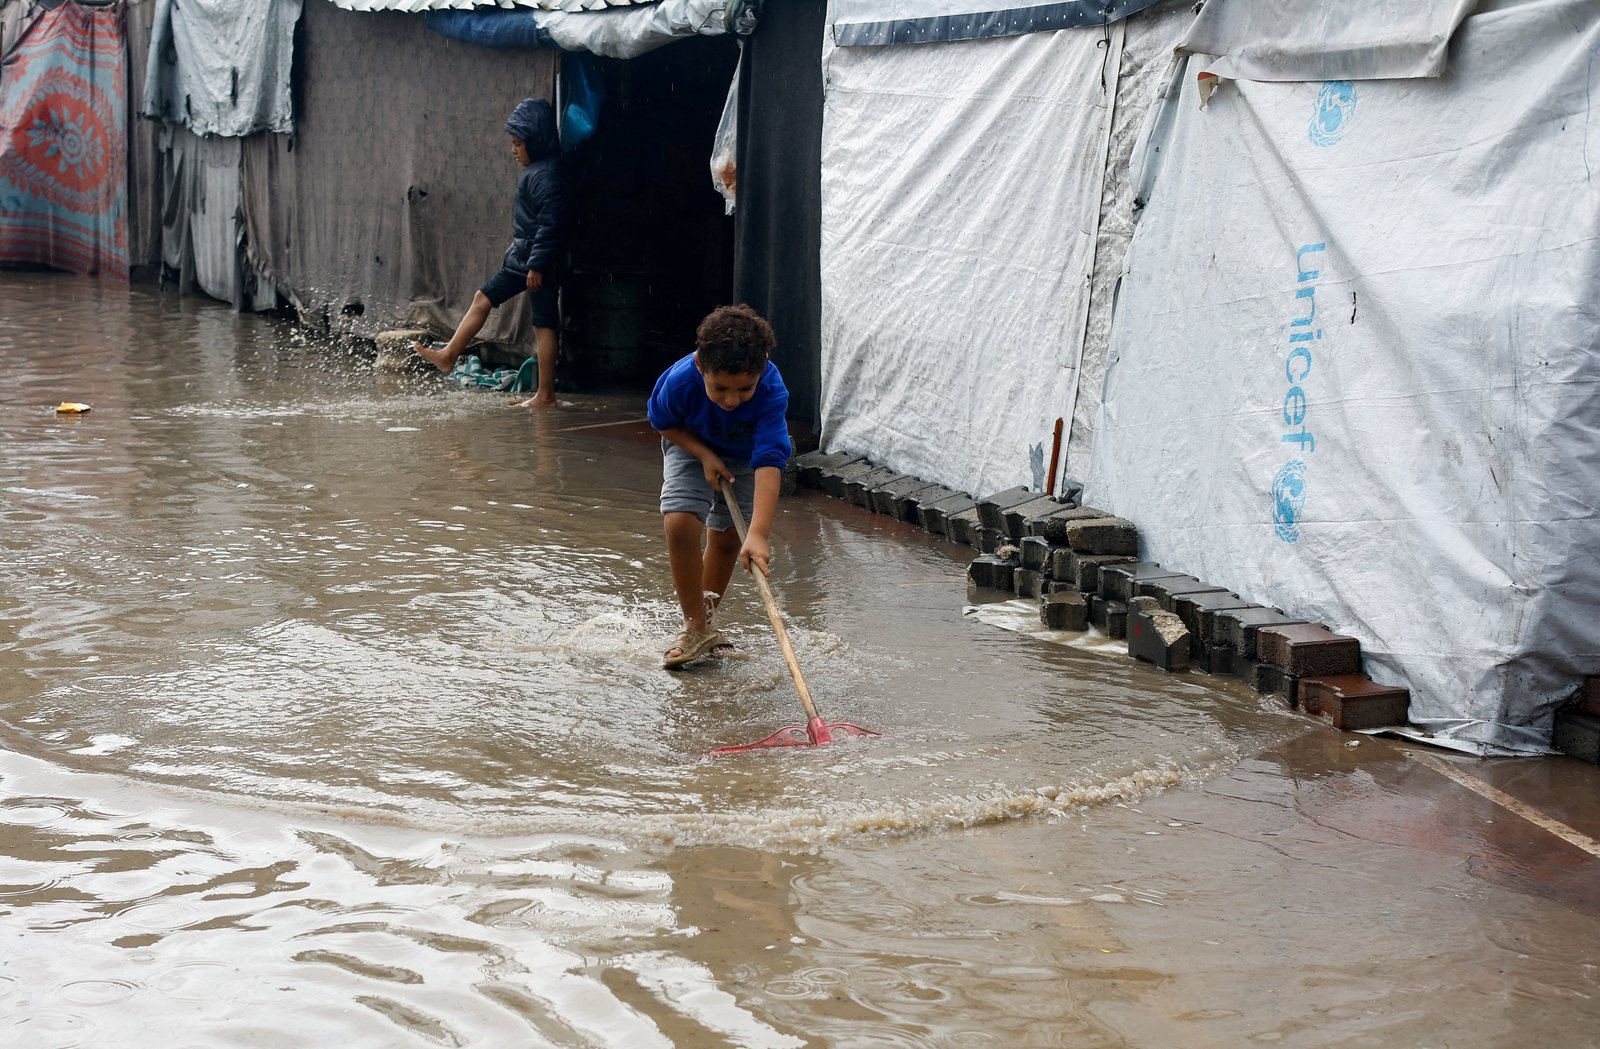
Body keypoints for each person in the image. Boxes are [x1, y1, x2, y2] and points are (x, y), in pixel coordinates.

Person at [647, 304, 791, 669]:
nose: (731, 399)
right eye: (720, 388)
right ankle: (693, 625)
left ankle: (706, 625)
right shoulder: (680, 381)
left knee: (729, 537)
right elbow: (663, 422)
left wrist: (757, 534)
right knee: (680, 520)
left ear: (761, 372)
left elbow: (769, 462)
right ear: (701, 366)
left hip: (745, 456)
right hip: (689, 443)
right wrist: (704, 455)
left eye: (745, 389)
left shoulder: (772, 391)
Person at [416, 97, 566, 408]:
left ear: (535, 142)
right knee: (483, 298)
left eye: (518, 144)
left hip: (536, 262)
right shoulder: (539, 170)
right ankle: (448, 355)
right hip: (524, 258)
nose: (513, 151)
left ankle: (545, 395)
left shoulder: (548, 176)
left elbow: (551, 226)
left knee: (544, 323)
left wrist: (537, 265)